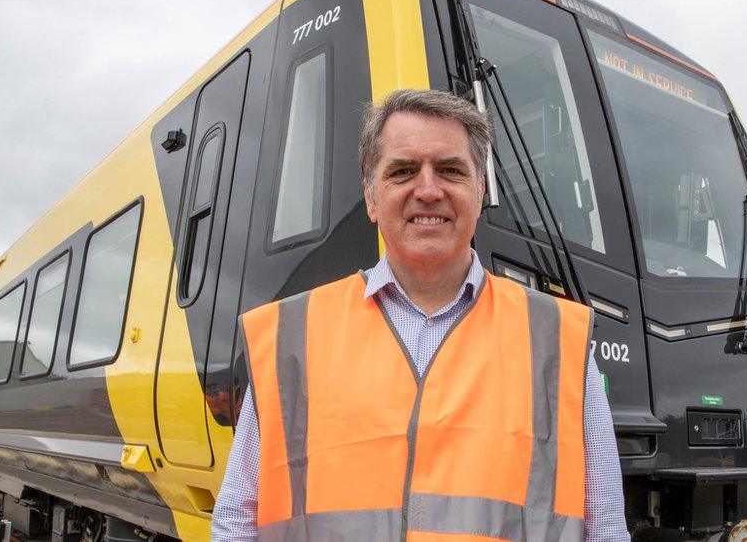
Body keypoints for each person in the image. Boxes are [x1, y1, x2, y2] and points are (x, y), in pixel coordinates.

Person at [213, 89, 629, 541]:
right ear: (371, 198)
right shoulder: (292, 337)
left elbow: (604, 525)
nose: (428, 190)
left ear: (480, 191)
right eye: (403, 171)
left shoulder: (557, 339)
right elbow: (237, 519)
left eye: (451, 170)